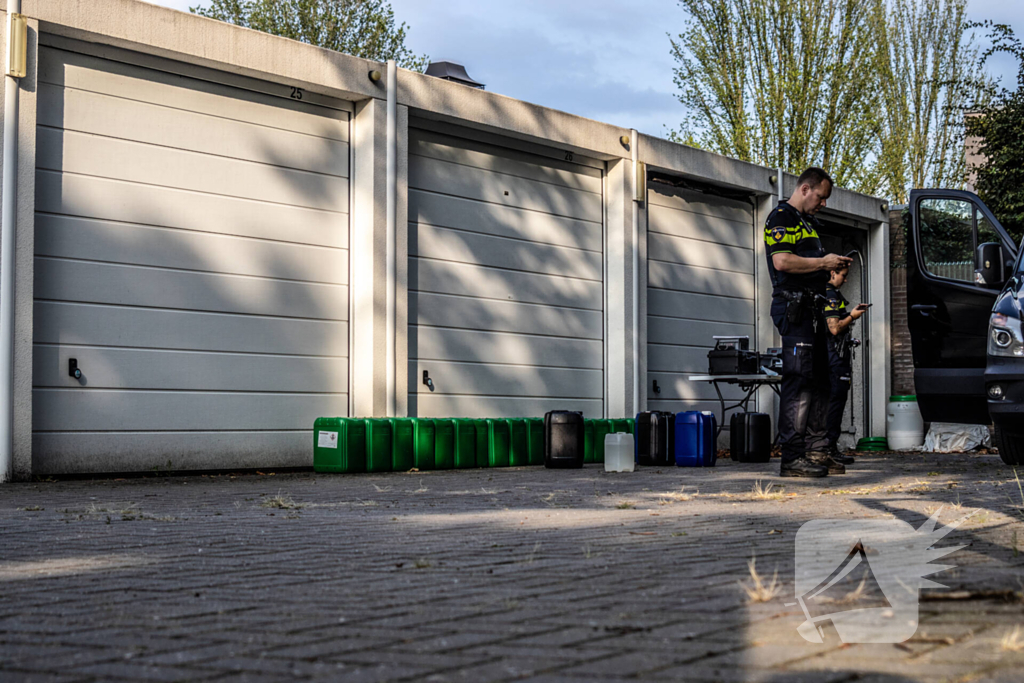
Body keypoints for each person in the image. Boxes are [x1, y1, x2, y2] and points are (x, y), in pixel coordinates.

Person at [764, 167, 851, 478]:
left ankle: (816, 450)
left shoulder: (808, 223)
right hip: (794, 308)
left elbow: (809, 264)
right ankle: (792, 457)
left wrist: (830, 266)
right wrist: (823, 262)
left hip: (813, 310)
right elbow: (782, 261)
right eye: (821, 197)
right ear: (804, 189)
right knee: (799, 382)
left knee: (821, 382)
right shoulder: (781, 218)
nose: (823, 204)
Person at [822, 266, 869, 465]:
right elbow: (834, 328)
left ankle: (826, 447)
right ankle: (828, 448)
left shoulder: (826, 293)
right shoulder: (830, 295)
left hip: (831, 356)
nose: (846, 280)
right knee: (836, 402)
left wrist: (850, 313)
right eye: (843, 276)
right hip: (835, 357)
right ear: (832, 273)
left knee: (833, 402)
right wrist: (852, 316)